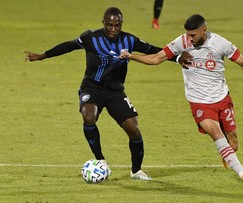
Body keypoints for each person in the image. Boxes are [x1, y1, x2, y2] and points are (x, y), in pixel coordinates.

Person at [24, 7, 186, 181]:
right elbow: (69, 46)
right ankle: (100, 160)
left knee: (134, 131)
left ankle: (136, 171)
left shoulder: (129, 40)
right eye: (109, 25)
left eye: (117, 25)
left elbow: (153, 50)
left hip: (116, 92)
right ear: (103, 23)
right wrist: (42, 56)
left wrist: (176, 58)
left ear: (121, 24)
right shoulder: (90, 38)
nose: (113, 29)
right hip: (92, 88)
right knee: (88, 116)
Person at [120, 14, 243, 186]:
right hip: (198, 102)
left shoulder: (220, 43)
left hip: (221, 98)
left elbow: (242, 62)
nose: (189, 39)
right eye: (187, 34)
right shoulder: (182, 42)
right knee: (216, 133)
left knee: (233, 142)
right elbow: (157, 58)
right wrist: (131, 56)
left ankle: (228, 154)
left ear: (204, 30)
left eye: (193, 35)